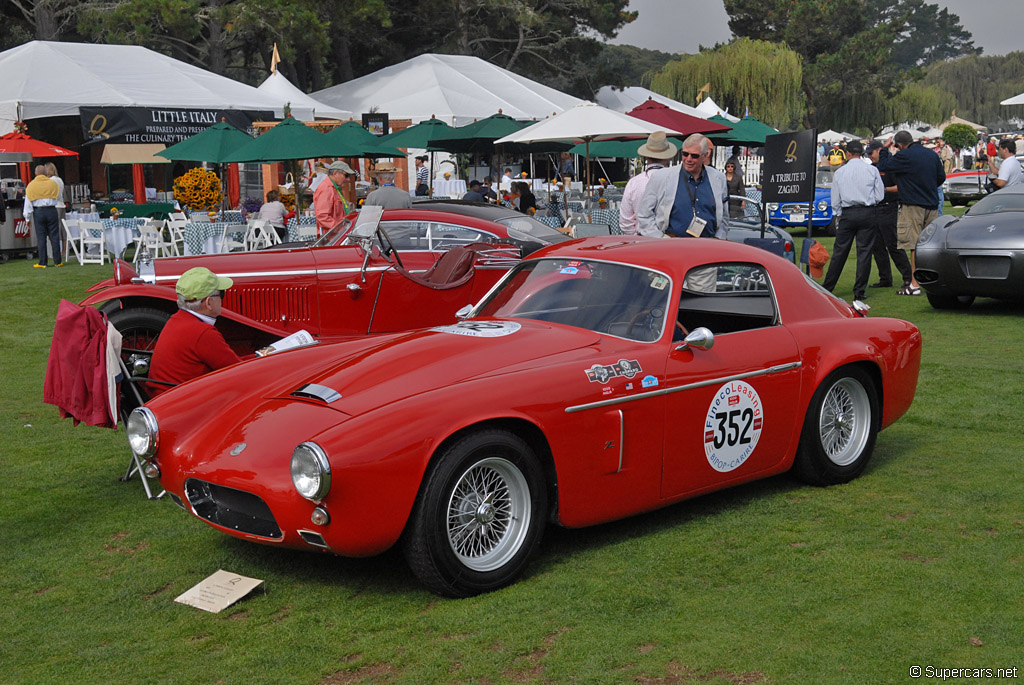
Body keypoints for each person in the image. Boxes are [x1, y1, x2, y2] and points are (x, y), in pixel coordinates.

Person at [146, 267, 242, 398]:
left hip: (166, 398)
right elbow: (239, 372)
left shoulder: (176, 320)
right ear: (209, 302)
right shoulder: (203, 333)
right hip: (186, 405)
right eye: (221, 294)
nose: (222, 299)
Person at [877, 130, 946, 296]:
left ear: (899, 145)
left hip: (912, 204)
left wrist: (885, 148)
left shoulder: (904, 156)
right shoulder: (931, 154)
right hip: (931, 203)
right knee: (929, 245)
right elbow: (941, 177)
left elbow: (883, 166)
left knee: (914, 245)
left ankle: (915, 284)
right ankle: (933, 280)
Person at [820, 140, 883, 302]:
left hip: (848, 213)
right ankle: (859, 291)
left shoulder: (841, 172)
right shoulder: (871, 170)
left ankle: (828, 287)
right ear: (861, 153)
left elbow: (836, 197)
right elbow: (879, 195)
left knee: (839, 252)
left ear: (847, 154)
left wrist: (838, 213)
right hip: (867, 211)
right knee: (864, 253)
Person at [636, 133, 729, 241]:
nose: (688, 159)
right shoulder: (661, 177)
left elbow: (724, 216)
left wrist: (719, 238)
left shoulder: (719, 178)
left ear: (705, 155)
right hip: (672, 246)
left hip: (708, 246)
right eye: (685, 154)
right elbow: (644, 215)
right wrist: (661, 238)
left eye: (694, 155)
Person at [865, 142, 914, 291]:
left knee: (893, 245)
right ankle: (885, 278)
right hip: (875, 209)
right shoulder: (872, 168)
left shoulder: (892, 166)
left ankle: (907, 277)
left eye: (871, 153)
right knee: (877, 246)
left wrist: (883, 189)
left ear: (879, 151)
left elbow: (901, 187)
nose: (869, 156)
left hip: (889, 208)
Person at [619, 131, 676, 235]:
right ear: (666, 157)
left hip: (640, 241)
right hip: (668, 241)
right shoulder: (675, 180)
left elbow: (625, 222)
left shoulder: (634, 183)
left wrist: (637, 237)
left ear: (646, 156)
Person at [23, 164, 62, 268]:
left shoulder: (31, 185)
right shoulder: (53, 183)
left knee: (41, 237)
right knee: (54, 236)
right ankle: (57, 261)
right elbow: (58, 197)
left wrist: (27, 218)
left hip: (38, 212)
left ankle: (43, 262)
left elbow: (28, 203)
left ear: (36, 173)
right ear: (45, 173)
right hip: (52, 210)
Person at [312, 160, 356, 235]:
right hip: (332, 238)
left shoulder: (334, 188)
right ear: (335, 173)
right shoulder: (327, 188)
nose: (348, 179)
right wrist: (341, 229)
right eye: (346, 175)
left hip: (335, 236)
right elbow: (322, 217)